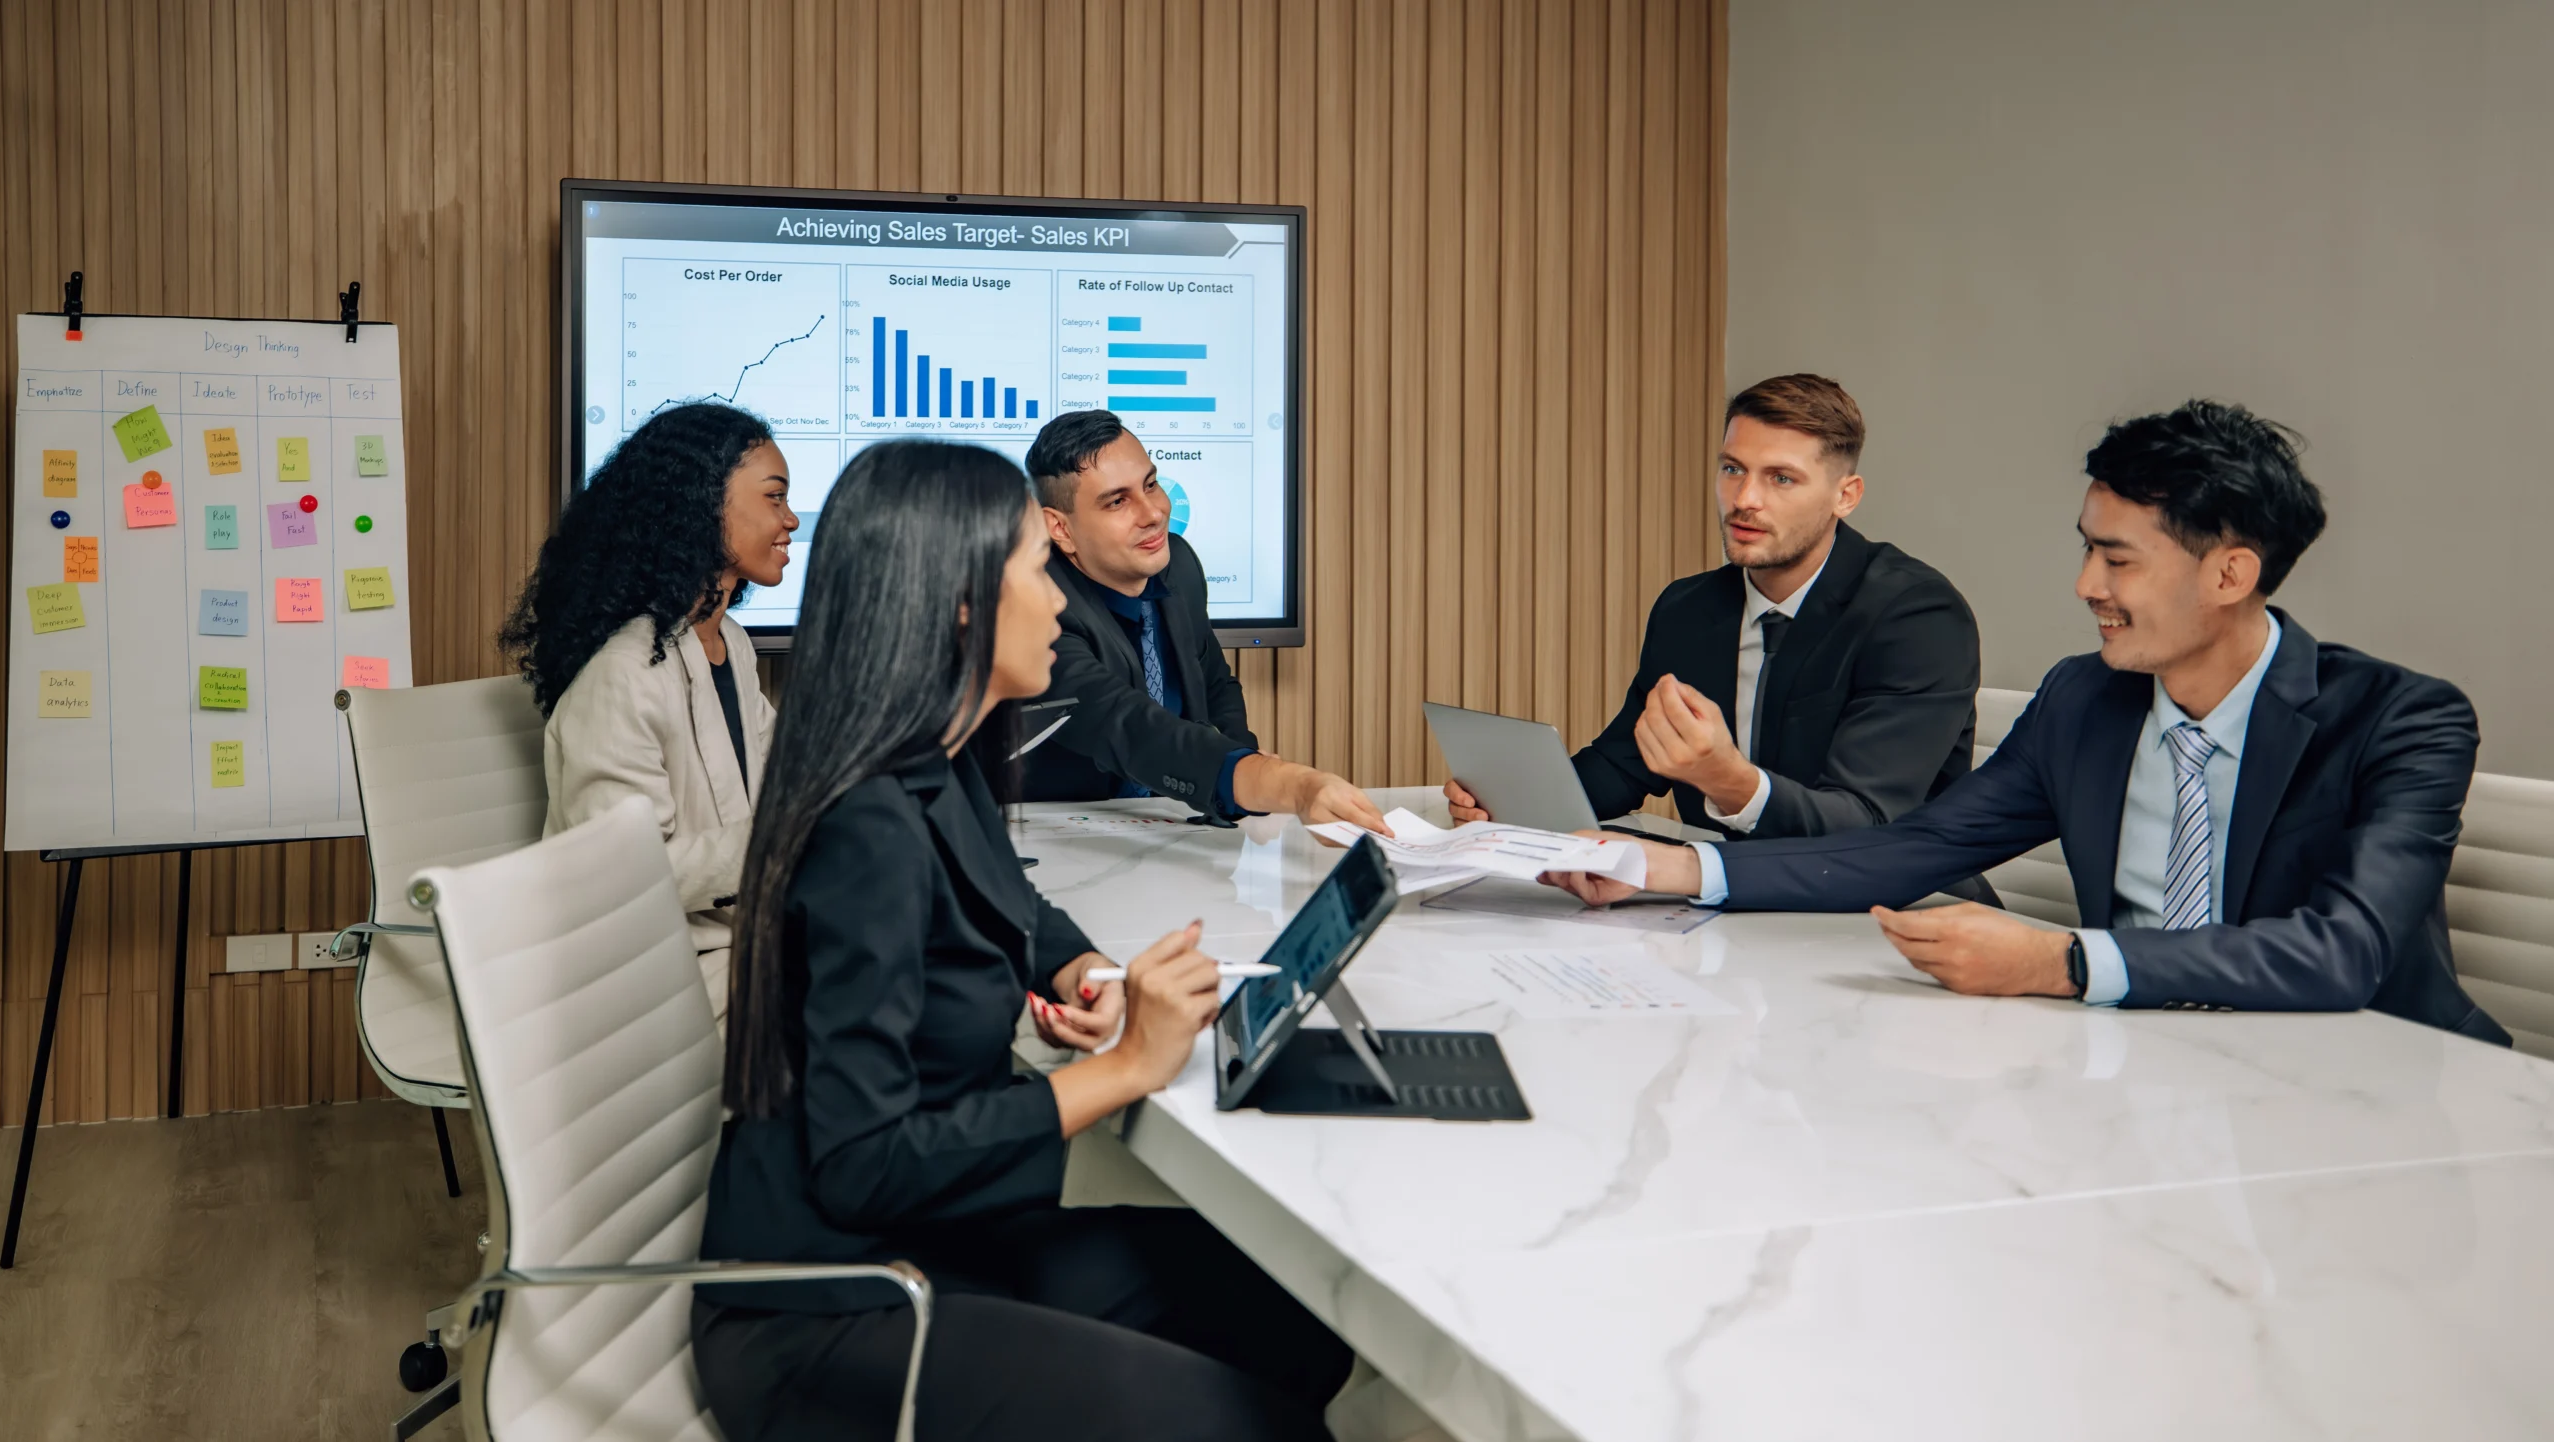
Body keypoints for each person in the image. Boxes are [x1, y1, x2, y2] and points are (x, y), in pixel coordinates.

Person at [695, 439, 1354, 1442]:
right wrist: (1129, 1064)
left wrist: (1085, 970)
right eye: (1028, 570)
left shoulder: (941, 759)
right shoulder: (865, 825)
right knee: (1251, 1419)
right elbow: (862, 1163)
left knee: (1298, 1315)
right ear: (961, 601)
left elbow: (1021, 908)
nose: (1054, 599)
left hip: (937, 1241)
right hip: (831, 1308)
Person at [1544, 400, 2509, 1043]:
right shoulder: (2083, 700)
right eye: (2087, 551)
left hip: (2381, 1087)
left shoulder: (2400, 720)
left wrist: (2064, 960)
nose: (2086, 586)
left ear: (2230, 574)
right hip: (2145, 1062)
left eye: (2118, 561)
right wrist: (1670, 869)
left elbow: (2342, 953)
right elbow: (1906, 849)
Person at [1446, 374, 1987, 897]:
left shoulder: (1917, 617)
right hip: (1729, 899)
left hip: (1900, 909)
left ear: (1845, 496)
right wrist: (1513, 803)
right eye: (1732, 468)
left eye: (1781, 478)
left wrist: (1730, 781)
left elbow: (1867, 825)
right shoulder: (1689, 607)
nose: (1745, 498)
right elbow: (1624, 762)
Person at [499, 402, 795, 1028]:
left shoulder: (729, 643)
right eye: (774, 498)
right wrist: (787, 839)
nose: (790, 519)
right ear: (702, 506)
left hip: (734, 950)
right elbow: (622, 874)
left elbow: (777, 779)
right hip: (651, 980)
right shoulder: (622, 673)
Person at [1021, 408, 1387, 833]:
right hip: (1066, 838)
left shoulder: (1179, 565)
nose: (1154, 513)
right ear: (1060, 529)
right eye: (1118, 501)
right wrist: (1288, 785)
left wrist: (1245, 770)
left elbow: (1215, 681)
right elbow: (1130, 727)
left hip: (1174, 825)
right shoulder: (1037, 608)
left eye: (1151, 485)